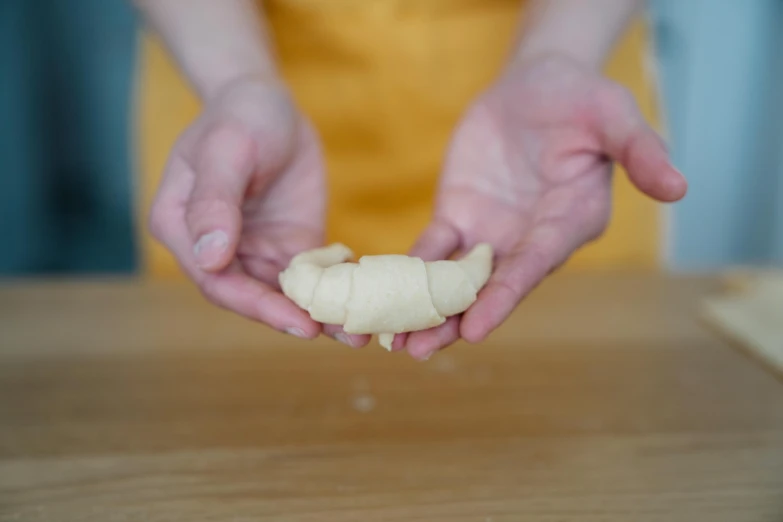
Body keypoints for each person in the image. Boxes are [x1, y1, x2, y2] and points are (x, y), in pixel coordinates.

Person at [133, 0, 687, 360]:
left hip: (540, 136)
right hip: (245, 101)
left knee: (576, 379)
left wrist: (559, 53)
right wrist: (238, 80)